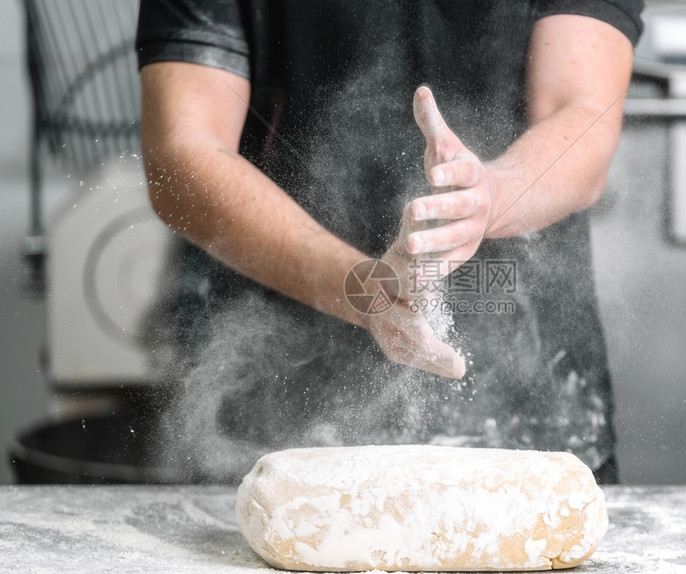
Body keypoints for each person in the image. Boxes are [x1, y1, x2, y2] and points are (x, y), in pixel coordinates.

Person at [136, 0, 642, 483]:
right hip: (282, 404)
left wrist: (490, 196)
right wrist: (366, 290)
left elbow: (581, 111)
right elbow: (184, 151)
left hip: (535, 407)